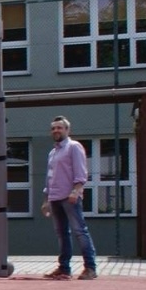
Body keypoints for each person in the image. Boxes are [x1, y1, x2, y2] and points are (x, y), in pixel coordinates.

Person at [42, 115, 98, 280]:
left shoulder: (74, 147)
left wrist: (76, 191)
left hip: (70, 197)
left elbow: (81, 172)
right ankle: (64, 268)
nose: (56, 131)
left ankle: (90, 268)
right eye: (53, 128)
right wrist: (46, 200)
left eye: (59, 128)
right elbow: (49, 177)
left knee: (80, 231)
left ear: (67, 130)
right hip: (55, 198)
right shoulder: (52, 152)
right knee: (62, 233)